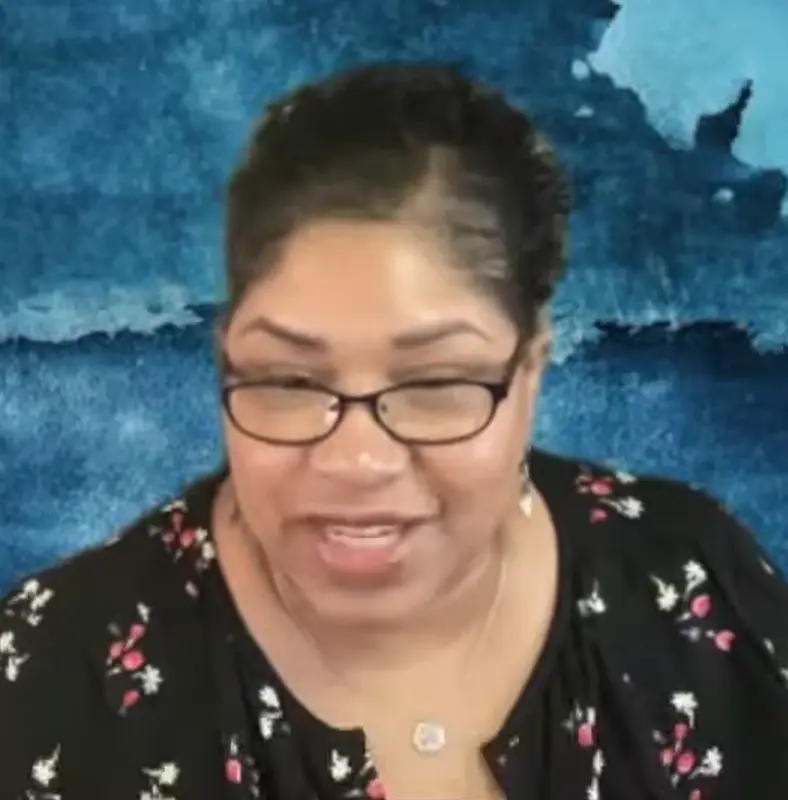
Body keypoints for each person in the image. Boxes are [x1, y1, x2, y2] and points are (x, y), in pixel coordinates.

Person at [1, 62, 787, 800]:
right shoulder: (50, 676)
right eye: (289, 379)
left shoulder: (694, 589)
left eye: (436, 383)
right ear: (226, 359)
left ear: (533, 367)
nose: (357, 461)